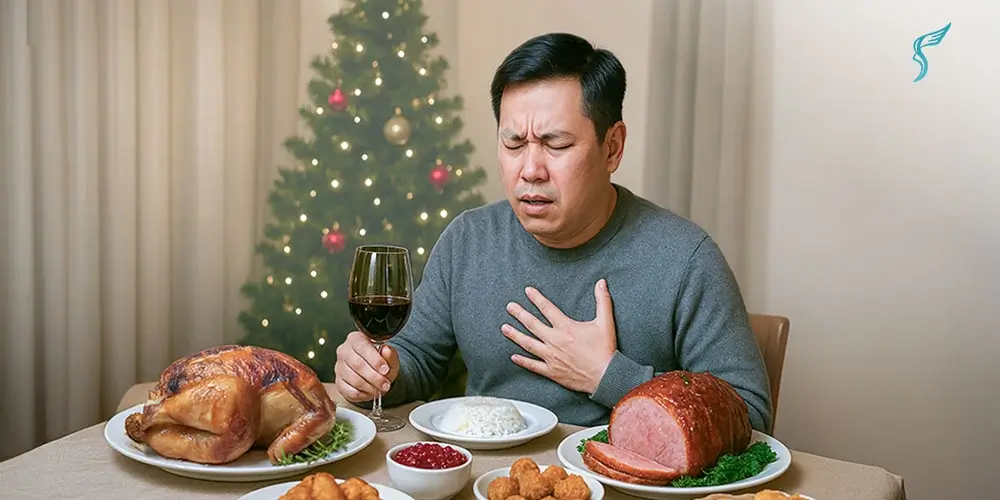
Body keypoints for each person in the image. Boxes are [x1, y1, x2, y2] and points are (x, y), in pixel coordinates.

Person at [334, 32, 773, 432]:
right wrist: (376, 371)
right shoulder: (469, 239)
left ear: (612, 147)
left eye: (556, 144)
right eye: (513, 144)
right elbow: (417, 361)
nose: (530, 170)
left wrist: (608, 376)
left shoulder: (684, 258)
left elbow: (750, 419)